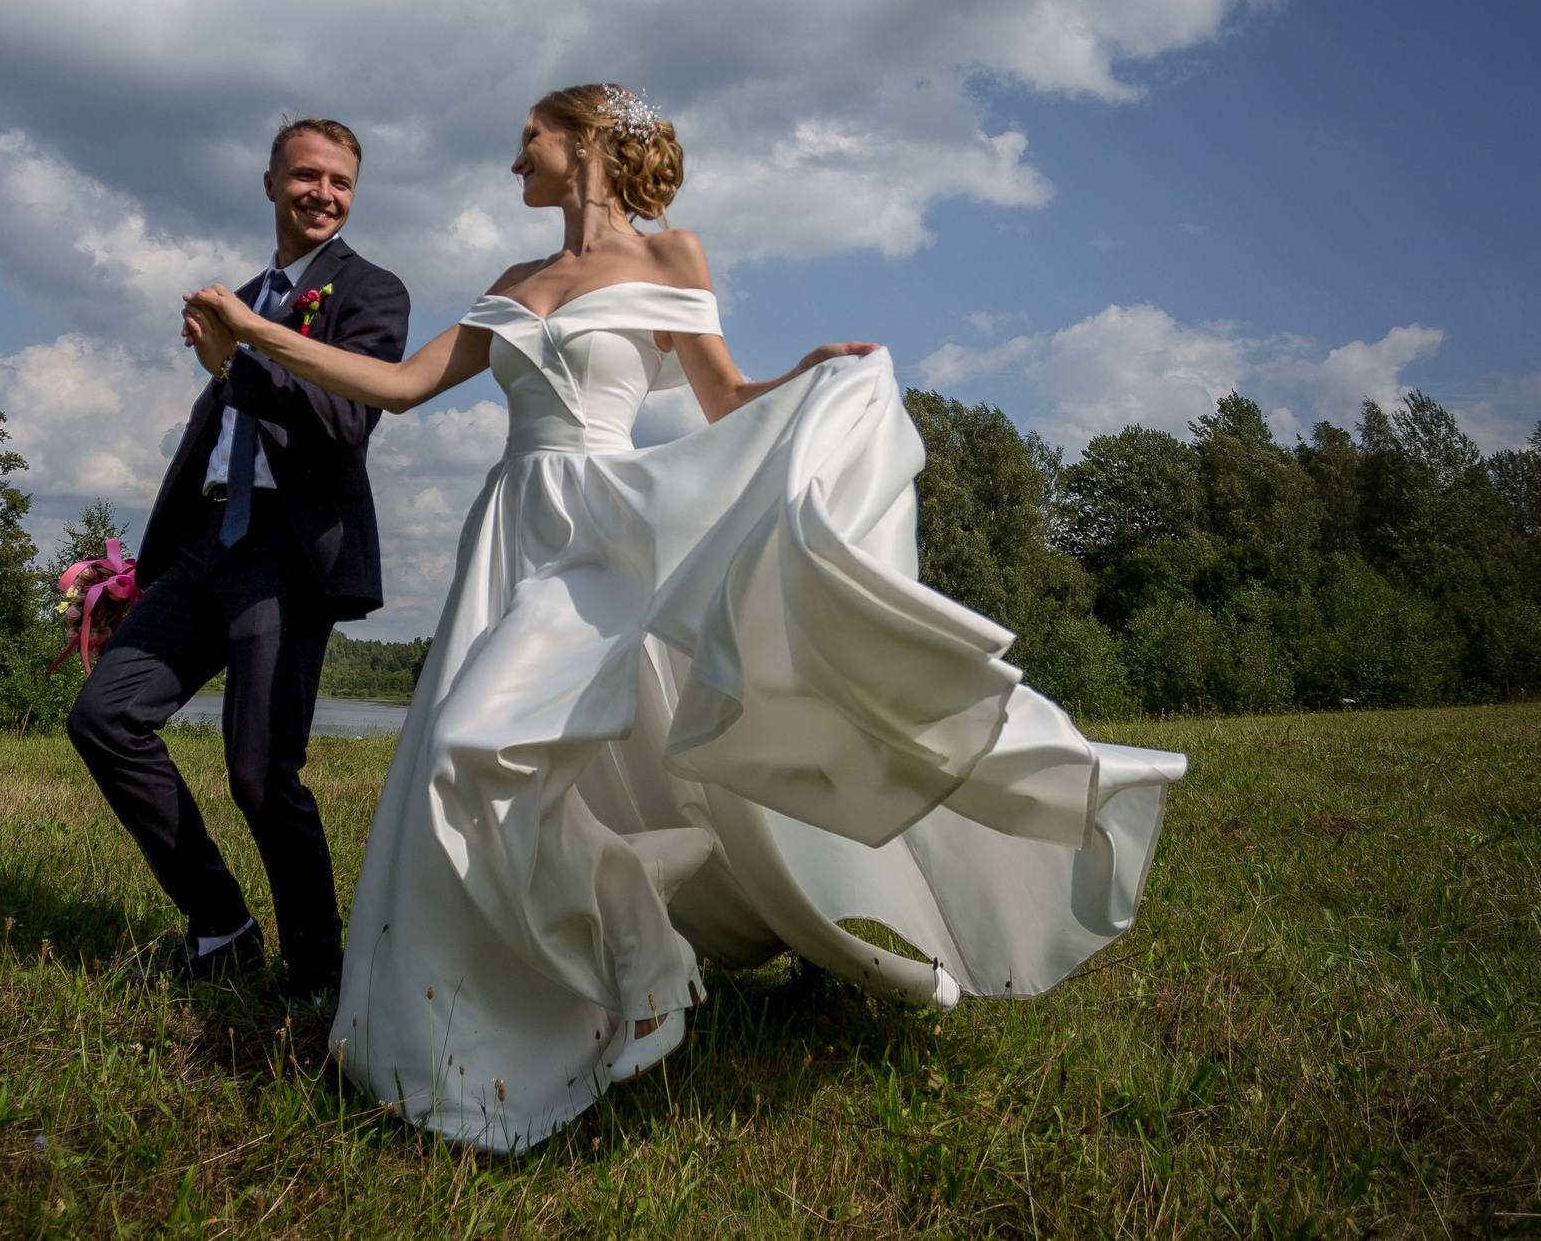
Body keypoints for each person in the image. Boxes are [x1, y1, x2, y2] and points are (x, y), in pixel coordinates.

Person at [185, 85, 1188, 1151]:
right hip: (512, 535)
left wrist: (806, 383)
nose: (512, 158)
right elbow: (393, 386)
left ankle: (642, 958)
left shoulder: (672, 260)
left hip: (609, 536)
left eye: (529, 138)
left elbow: (723, 400)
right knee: (468, 757)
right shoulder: (511, 283)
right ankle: (523, 994)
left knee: (485, 748)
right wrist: (253, 338)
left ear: (583, 145)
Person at [69, 117, 409, 997]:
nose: (323, 194)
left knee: (261, 772)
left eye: (340, 181)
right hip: (201, 550)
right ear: (270, 185)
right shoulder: (248, 293)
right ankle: (221, 922)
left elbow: (345, 422)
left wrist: (237, 359)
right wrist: (145, 564)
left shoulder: (371, 292)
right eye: (306, 176)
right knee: (104, 717)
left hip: (285, 551)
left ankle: (318, 972)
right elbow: (214, 434)